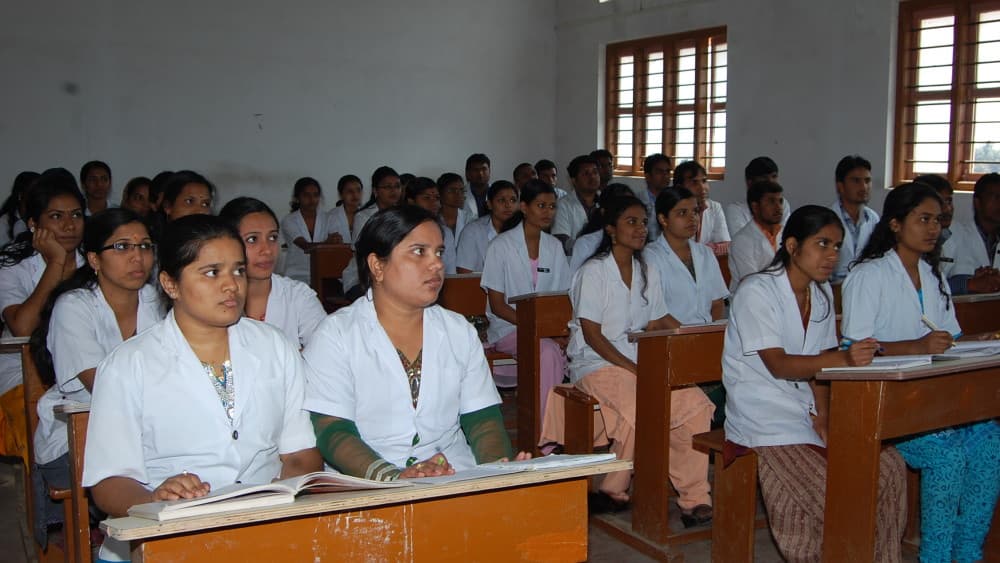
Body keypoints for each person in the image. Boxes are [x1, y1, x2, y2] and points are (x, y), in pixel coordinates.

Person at [82, 215, 322, 561]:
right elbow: (108, 483)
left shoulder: (275, 346)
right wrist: (155, 500)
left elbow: (301, 454)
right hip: (164, 534)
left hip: (266, 523)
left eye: (238, 270)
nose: (231, 286)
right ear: (171, 284)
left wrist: (275, 499)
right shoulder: (128, 365)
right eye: (212, 273)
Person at [723, 205, 906, 563]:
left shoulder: (820, 295)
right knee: (838, 493)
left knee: (890, 466)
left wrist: (824, 416)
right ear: (792, 246)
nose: (832, 255)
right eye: (822, 244)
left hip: (804, 411)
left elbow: (819, 367)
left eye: (836, 246)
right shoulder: (756, 291)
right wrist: (845, 358)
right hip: (762, 415)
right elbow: (779, 365)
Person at [303, 206, 527, 481]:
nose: (437, 264)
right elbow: (332, 429)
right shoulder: (336, 335)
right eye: (419, 251)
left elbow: (482, 419)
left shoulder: (458, 331)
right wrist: (393, 478)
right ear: (377, 266)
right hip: (369, 480)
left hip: (453, 472)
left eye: (439, 252)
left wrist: (498, 470)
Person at [840, 182, 1000, 563]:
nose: (933, 228)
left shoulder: (933, 276)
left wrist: (976, 343)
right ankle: (936, 556)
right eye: (923, 219)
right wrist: (917, 347)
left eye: (937, 220)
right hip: (886, 401)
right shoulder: (868, 275)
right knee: (948, 456)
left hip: (934, 400)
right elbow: (854, 350)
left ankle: (967, 551)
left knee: (991, 441)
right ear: (895, 224)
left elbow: (949, 339)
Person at [565, 195, 714, 521]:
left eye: (643, 222)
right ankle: (612, 488)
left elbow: (659, 319)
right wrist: (634, 368)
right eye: (631, 222)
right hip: (596, 363)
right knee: (640, 406)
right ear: (611, 229)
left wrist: (694, 339)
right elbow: (592, 334)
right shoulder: (593, 271)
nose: (640, 229)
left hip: (638, 362)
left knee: (696, 404)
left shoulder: (647, 269)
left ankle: (694, 498)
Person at [31, 209, 162, 542]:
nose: (137, 256)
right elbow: (103, 387)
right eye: (122, 247)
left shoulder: (159, 300)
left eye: (145, 246)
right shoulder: (74, 307)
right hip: (78, 438)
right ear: (94, 259)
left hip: (150, 428)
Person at [0, 170, 86, 464]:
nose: (69, 225)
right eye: (56, 217)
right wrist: (56, 263)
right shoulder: (14, 267)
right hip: (25, 371)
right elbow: (23, 327)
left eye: (76, 215)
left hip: (83, 366)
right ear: (34, 224)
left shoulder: (97, 261)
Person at [481, 179, 570, 412]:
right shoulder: (500, 245)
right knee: (547, 351)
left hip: (547, 330)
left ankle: (559, 421)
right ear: (524, 207)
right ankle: (545, 426)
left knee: (572, 347)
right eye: (541, 206)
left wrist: (558, 331)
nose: (548, 212)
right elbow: (498, 305)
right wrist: (538, 328)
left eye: (552, 206)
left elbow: (562, 298)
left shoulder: (554, 246)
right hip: (509, 327)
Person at [220, 197, 326, 348]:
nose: (267, 250)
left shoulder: (298, 296)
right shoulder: (213, 299)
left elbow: (326, 352)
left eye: (272, 237)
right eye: (252, 239)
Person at [644, 187, 728, 324]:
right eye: (682, 213)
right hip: (672, 334)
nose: (692, 218)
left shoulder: (705, 253)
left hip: (708, 332)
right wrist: (689, 335)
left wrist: (711, 331)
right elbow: (657, 315)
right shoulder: (651, 256)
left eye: (695, 211)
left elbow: (717, 303)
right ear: (663, 219)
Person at [342, 166, 403, 297]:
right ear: (375, 190)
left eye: (397, 186)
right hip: (362, 277)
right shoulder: (364, 217)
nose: (393, 190)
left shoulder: (404, 215)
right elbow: (361, 250)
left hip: (395, 275)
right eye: (387, 187)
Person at [940, 172, 1000, 294]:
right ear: (977, 202)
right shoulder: (951, 233)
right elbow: (931, 284)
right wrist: (968, 283)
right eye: (996, 197)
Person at [280, 177, 338, 284]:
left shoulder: (328, 218)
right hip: (296, 274)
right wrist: (327, 243)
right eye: (306, 195)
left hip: (323, 273)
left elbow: (336, 242)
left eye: (315, 195)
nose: (312, 199)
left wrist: (336, 240)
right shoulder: (289, 220)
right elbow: (305, 246)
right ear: (297, 198)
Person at [830, 155, 878, 282]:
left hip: (866, 285)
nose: (864, 187)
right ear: (840, 186)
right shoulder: (827, 219)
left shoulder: (873, 219)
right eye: (856, 181)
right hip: (835, 288)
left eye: (867, 181)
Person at [728, 181, 785, 289]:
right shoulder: (742, 241)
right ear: (755, 207)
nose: (778, 207)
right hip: (752, 297)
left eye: (780, 201)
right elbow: (752, 283)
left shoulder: (786, 234)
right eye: (771, 202)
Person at [569, 184, 635, 274]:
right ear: (604, 212)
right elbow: (575, 279)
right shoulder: (586, 244)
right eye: (621, 209)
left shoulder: (639, 241)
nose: (629, 214)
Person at [455, 180, 518, 273]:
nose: (508, 205)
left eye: (513, 200)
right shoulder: (472, 231)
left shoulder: (524, 230)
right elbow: (464, 272)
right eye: (501, 200)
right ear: (489, 204)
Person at [725, 157, 791, 237]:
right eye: (764, 178)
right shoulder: (735, 210)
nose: (771, 182)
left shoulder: (782, 203)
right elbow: (743, 239)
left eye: (774, 176)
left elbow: (784, 236)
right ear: (750, 182)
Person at [404, 177, 457, 274]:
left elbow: (451, 273)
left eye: (437, 198)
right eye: (427, 198)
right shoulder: (401, 231)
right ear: (411, 201)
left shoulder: (445, 233)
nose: (434, 203)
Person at [674, 160, 730, 248]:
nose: (702, 187)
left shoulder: (715, 207)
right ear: (679, 187)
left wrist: (702, 250)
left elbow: (725, 245)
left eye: (704, 181)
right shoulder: (672, 210)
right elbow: (680, 247)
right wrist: (708, 248)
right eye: (694, 182)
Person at [553, 155, 601, 253]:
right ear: (574, 180)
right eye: (586, 173)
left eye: (595, 172)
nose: (592, 177)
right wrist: (586, 243)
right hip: (574, 259)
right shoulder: (562, 205)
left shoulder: (607, 201)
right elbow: (561, 241)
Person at [634, 153, 672, 241]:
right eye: (659, 172)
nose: (665, 175)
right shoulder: (637, 200)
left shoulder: (674, 200)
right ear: (648, 176)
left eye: (667, 171)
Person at [0, 171, 39, 248]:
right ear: (21, 194)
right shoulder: (3, 224)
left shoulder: (43, 218)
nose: (39, 195)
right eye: (34, 191)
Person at [437, 172, 475, 241]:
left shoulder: (470, 219)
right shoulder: (433, 219)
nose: (459, 194)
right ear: (440, 194)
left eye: (461, 190)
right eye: (452, 190)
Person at [326, 174, 364, 243]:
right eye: (350, 191)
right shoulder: (330, 216)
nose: (355, 194)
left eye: (358, 190)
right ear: (341, 194)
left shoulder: (368, 215)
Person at [463, 153, 492, 218]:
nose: (480, 173)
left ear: (489, 171)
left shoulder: (498, 192)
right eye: (475, 170)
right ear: (467, 173)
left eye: (484, 169)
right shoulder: (460, 194)